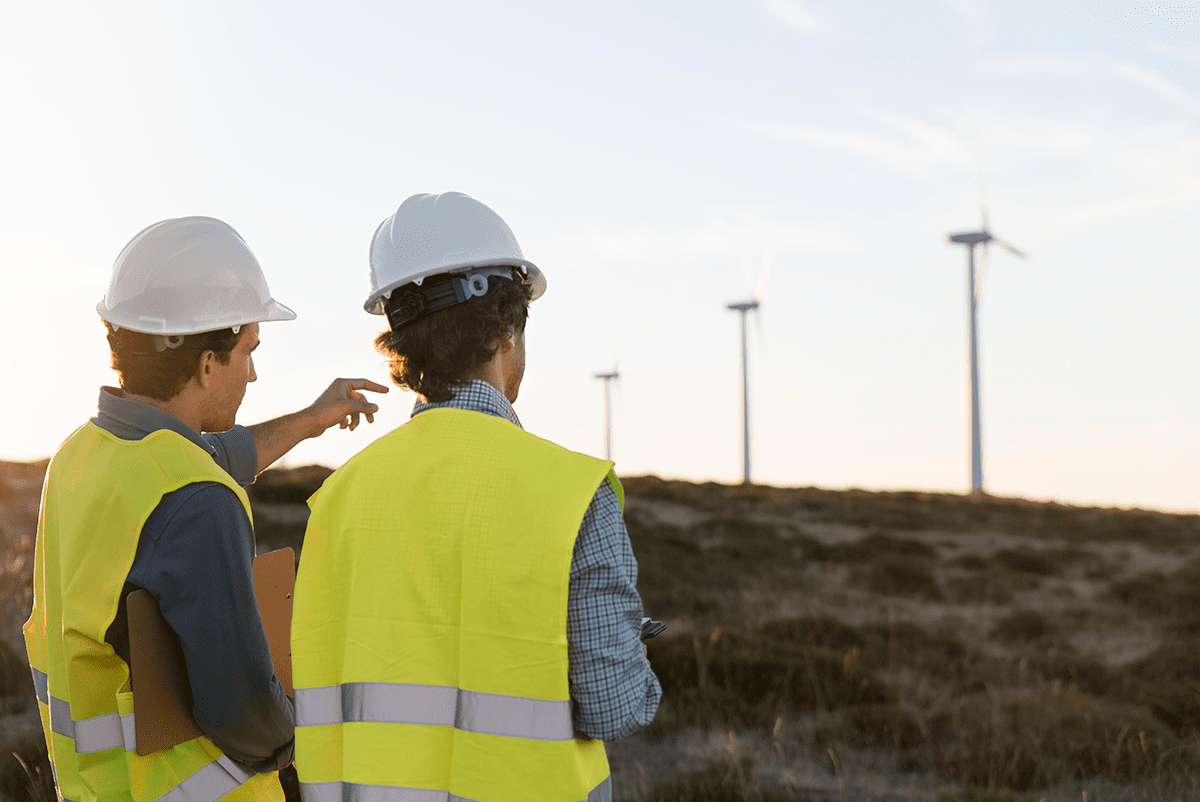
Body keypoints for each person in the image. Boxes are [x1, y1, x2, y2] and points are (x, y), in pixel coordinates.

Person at [290, 192, 661, 802]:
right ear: (507, 332)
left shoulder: (338, 500)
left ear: (402, 347)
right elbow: (614, 707)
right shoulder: (571, 495)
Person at [23, 217, 388, 802]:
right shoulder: (198, 503)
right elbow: (243, 712)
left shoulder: (84, 456)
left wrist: (309, 420)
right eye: (248, 351)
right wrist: (306, 729)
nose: (253, 372)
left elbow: (216, 455)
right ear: (208, 362)